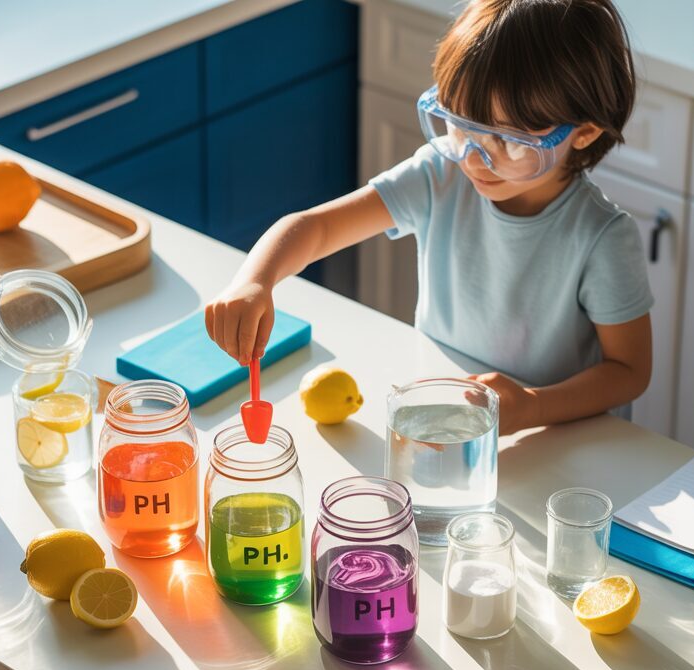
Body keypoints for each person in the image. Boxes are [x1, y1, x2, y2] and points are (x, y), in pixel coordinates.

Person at [205, 0, 652, 435]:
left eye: (511, 142)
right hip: (449, 415)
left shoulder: (602, 237)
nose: (476, 160)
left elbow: (628, 372)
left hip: (561, 438)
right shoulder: (441, 174)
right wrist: (255, 279)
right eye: (462, 127)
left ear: (585, 132)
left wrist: (531, 406)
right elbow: (317, 228)